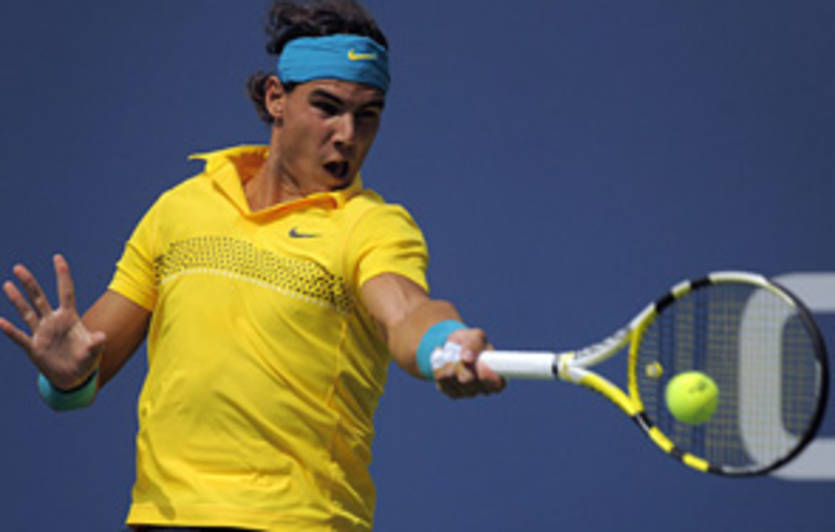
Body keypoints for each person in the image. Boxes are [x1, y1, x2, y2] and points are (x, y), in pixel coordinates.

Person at [0, 1, 504, 530]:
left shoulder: (372, 226)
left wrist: (444, 343)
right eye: (327, 107)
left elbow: (406, 313)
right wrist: (66, 375)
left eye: (367, 114)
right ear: (275, 97)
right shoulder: (180, 209)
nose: (347, 134)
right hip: (164, 519)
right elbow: (87, 366)